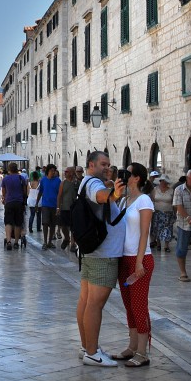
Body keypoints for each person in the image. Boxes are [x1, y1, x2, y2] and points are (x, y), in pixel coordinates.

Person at [75, 151, 127, 367]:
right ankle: (92, 352)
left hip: (92, 253)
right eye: (103, 164)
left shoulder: (86, 182)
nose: (107, 167)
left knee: (86, 302)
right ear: (91, 165)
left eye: (109, 164)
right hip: (103, 255)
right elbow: (100, 196)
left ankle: (87, 347)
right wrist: (113, 194)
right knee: (95, 305)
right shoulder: (93, 183)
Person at [117, 162, 155, 368]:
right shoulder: (125, 200)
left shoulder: (144, 200)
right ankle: (132, 346)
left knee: (139, 305)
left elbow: (144, 233)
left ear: (137, 178)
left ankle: (142, 351)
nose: (124, 175)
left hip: (139, 259)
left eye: (128, 173)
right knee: (129, 305)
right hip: (124, 258)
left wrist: (139, 261)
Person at [2, 162, 28, 250]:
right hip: (19, 202)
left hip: (9, 202)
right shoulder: (21, 178)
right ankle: (16, 242)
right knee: (18, 223)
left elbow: (4, 192)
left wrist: (4, 199)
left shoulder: (5, 179)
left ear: (9, 169)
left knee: (8, 222)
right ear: (16, 169)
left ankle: (9, 241)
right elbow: (25, 192)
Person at [151, 174, 176, 253]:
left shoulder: (171, 191)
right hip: (157, 212)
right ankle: (158, 244)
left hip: (168, 213)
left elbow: (174, 202)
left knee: (167, 229)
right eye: (162, 181)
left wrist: (175, 212)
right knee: (157, 228)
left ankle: (166, 246)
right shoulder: (155, 189)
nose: (163, 183)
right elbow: (152, 200)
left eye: (165, 181)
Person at [58, 166, 80, 250]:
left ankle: (72, 244)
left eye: (67, 171)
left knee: (73, 227)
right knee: (64, 226)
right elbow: (59, 196)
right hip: (64, 207)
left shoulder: (76, 182)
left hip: (74, 208)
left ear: (71, 172)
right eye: (65, 171)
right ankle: (66, 238)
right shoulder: (63, 183)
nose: (65, 173)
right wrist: (58, 207)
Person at [40, 164, 61, 250]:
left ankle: (49, 242)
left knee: (53, 225)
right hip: (45, 205)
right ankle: (45, 242)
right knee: (45, 223)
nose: (53, 172)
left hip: (54, 205)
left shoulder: (58, 181)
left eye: (54, 171)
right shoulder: (43, 180)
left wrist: (59, 207)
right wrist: (37, 203)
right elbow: (40, 191)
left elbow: (60, 194)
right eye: (52, 170)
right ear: (48, 171)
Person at [26, 171, 42, 238]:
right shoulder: (40, 184)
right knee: (38, 215)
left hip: (31, 200)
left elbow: (27, 193)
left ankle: (30, 228)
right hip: (38, 200)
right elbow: (41, 192)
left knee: (32, 214)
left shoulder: (29, 184)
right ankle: (38, 228)